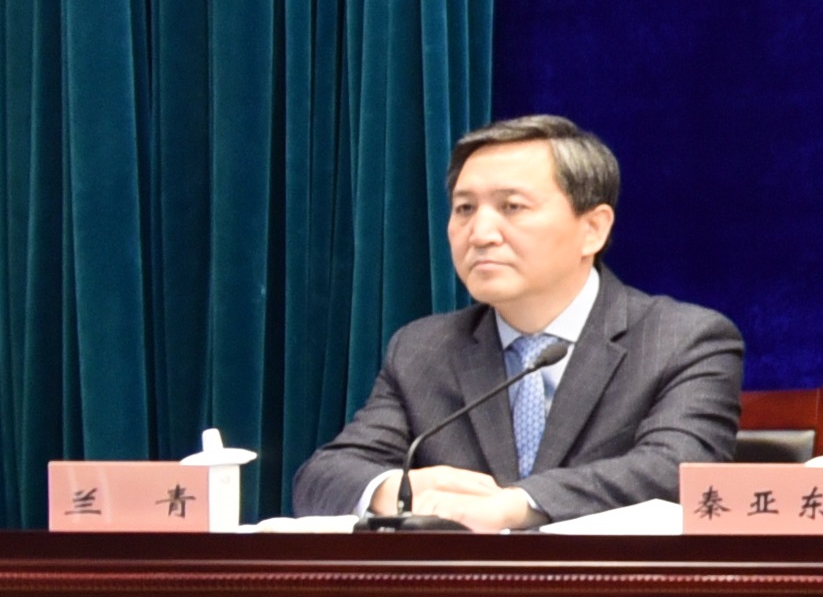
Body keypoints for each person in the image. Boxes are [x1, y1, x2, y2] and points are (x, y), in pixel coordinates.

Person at [297, 112, 747, 526]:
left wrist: (517, 504)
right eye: (464, 208)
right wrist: (397, 490)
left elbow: (678, 470)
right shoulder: (423, 349)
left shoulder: (683, 340)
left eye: (512, 207)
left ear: (593, 228)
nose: (480, 234)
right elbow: (324, 475)